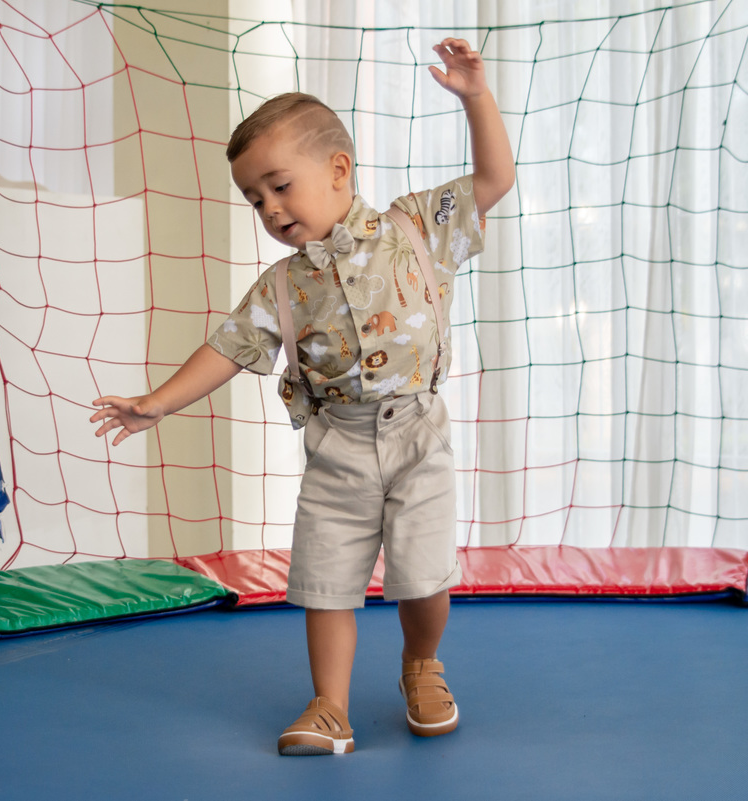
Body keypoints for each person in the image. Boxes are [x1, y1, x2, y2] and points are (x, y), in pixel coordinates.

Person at [90, 38, 514, 756]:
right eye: (255, 198)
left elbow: (495, 178)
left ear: (338, 171)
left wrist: (475, 95)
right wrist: (160, 402)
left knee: (423, 574)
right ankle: (329, 704)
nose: (269, 207)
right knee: (325, 578)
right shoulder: (283, 286)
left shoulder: (418, 228)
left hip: (416, 432)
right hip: (338, 442)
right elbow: (227, 346)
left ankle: (421, 662)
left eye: (280, 185)